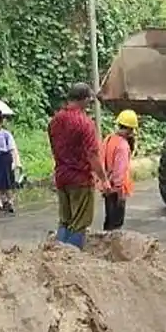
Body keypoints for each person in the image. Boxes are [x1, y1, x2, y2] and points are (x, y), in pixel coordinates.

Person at [48, 83, 109, 249]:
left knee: (65, 220)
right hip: (80, 179)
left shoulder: (55, 120)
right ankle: (72, 259)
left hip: (61, 176)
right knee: (80, 222)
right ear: (85, 99)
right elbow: (92, 154)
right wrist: (103, 179)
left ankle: (58, 254)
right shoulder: (85, 123)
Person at [102, 110, 138, 231]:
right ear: (130, 129)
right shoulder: (122, 145)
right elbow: (120, 170)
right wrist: (120, 192)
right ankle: (113, 247)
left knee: (108, 221)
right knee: (116, 224)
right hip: (116, 189)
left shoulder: (108, 139)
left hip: (107, 185)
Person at [0, 114, 21, 215]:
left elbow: (12, 148)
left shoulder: (6, 134)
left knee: (7, 181)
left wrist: (15, 162)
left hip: (5, 157)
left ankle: (9, 201)